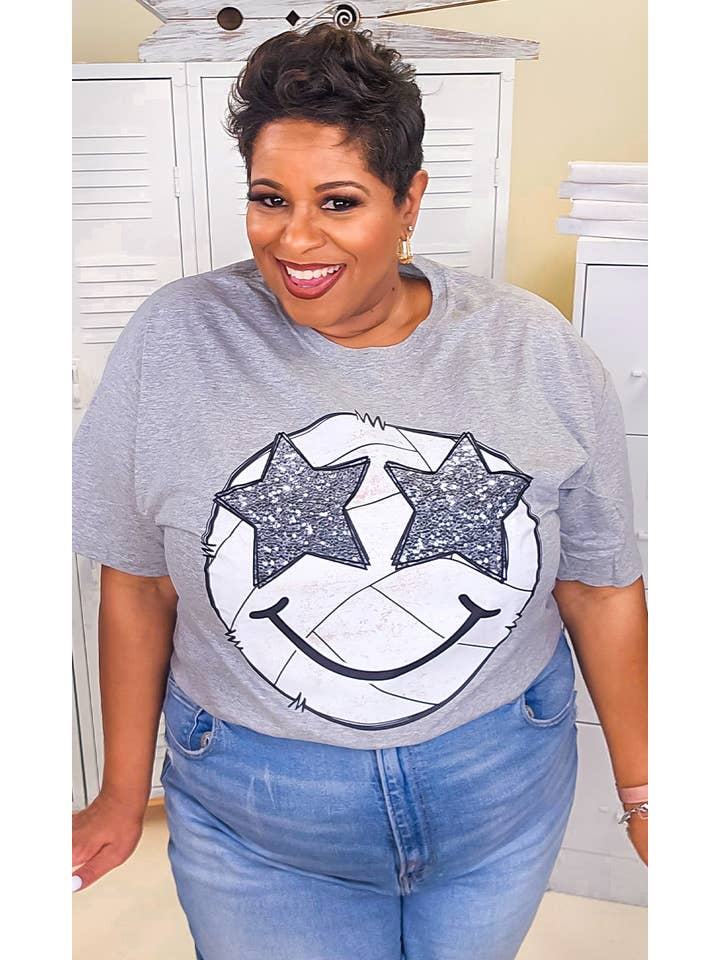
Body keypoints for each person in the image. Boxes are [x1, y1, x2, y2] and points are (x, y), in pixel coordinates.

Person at [71, 23, 648, 960]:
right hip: (259, 816)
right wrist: (121, 791)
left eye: (339, 201)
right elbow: (139, 583)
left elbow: (598, 584)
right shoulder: (175, 341)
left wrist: (646, 790)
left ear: (409, 200)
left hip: (498, 791)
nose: (295, 239)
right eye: (269, 199)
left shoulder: (531, 348)